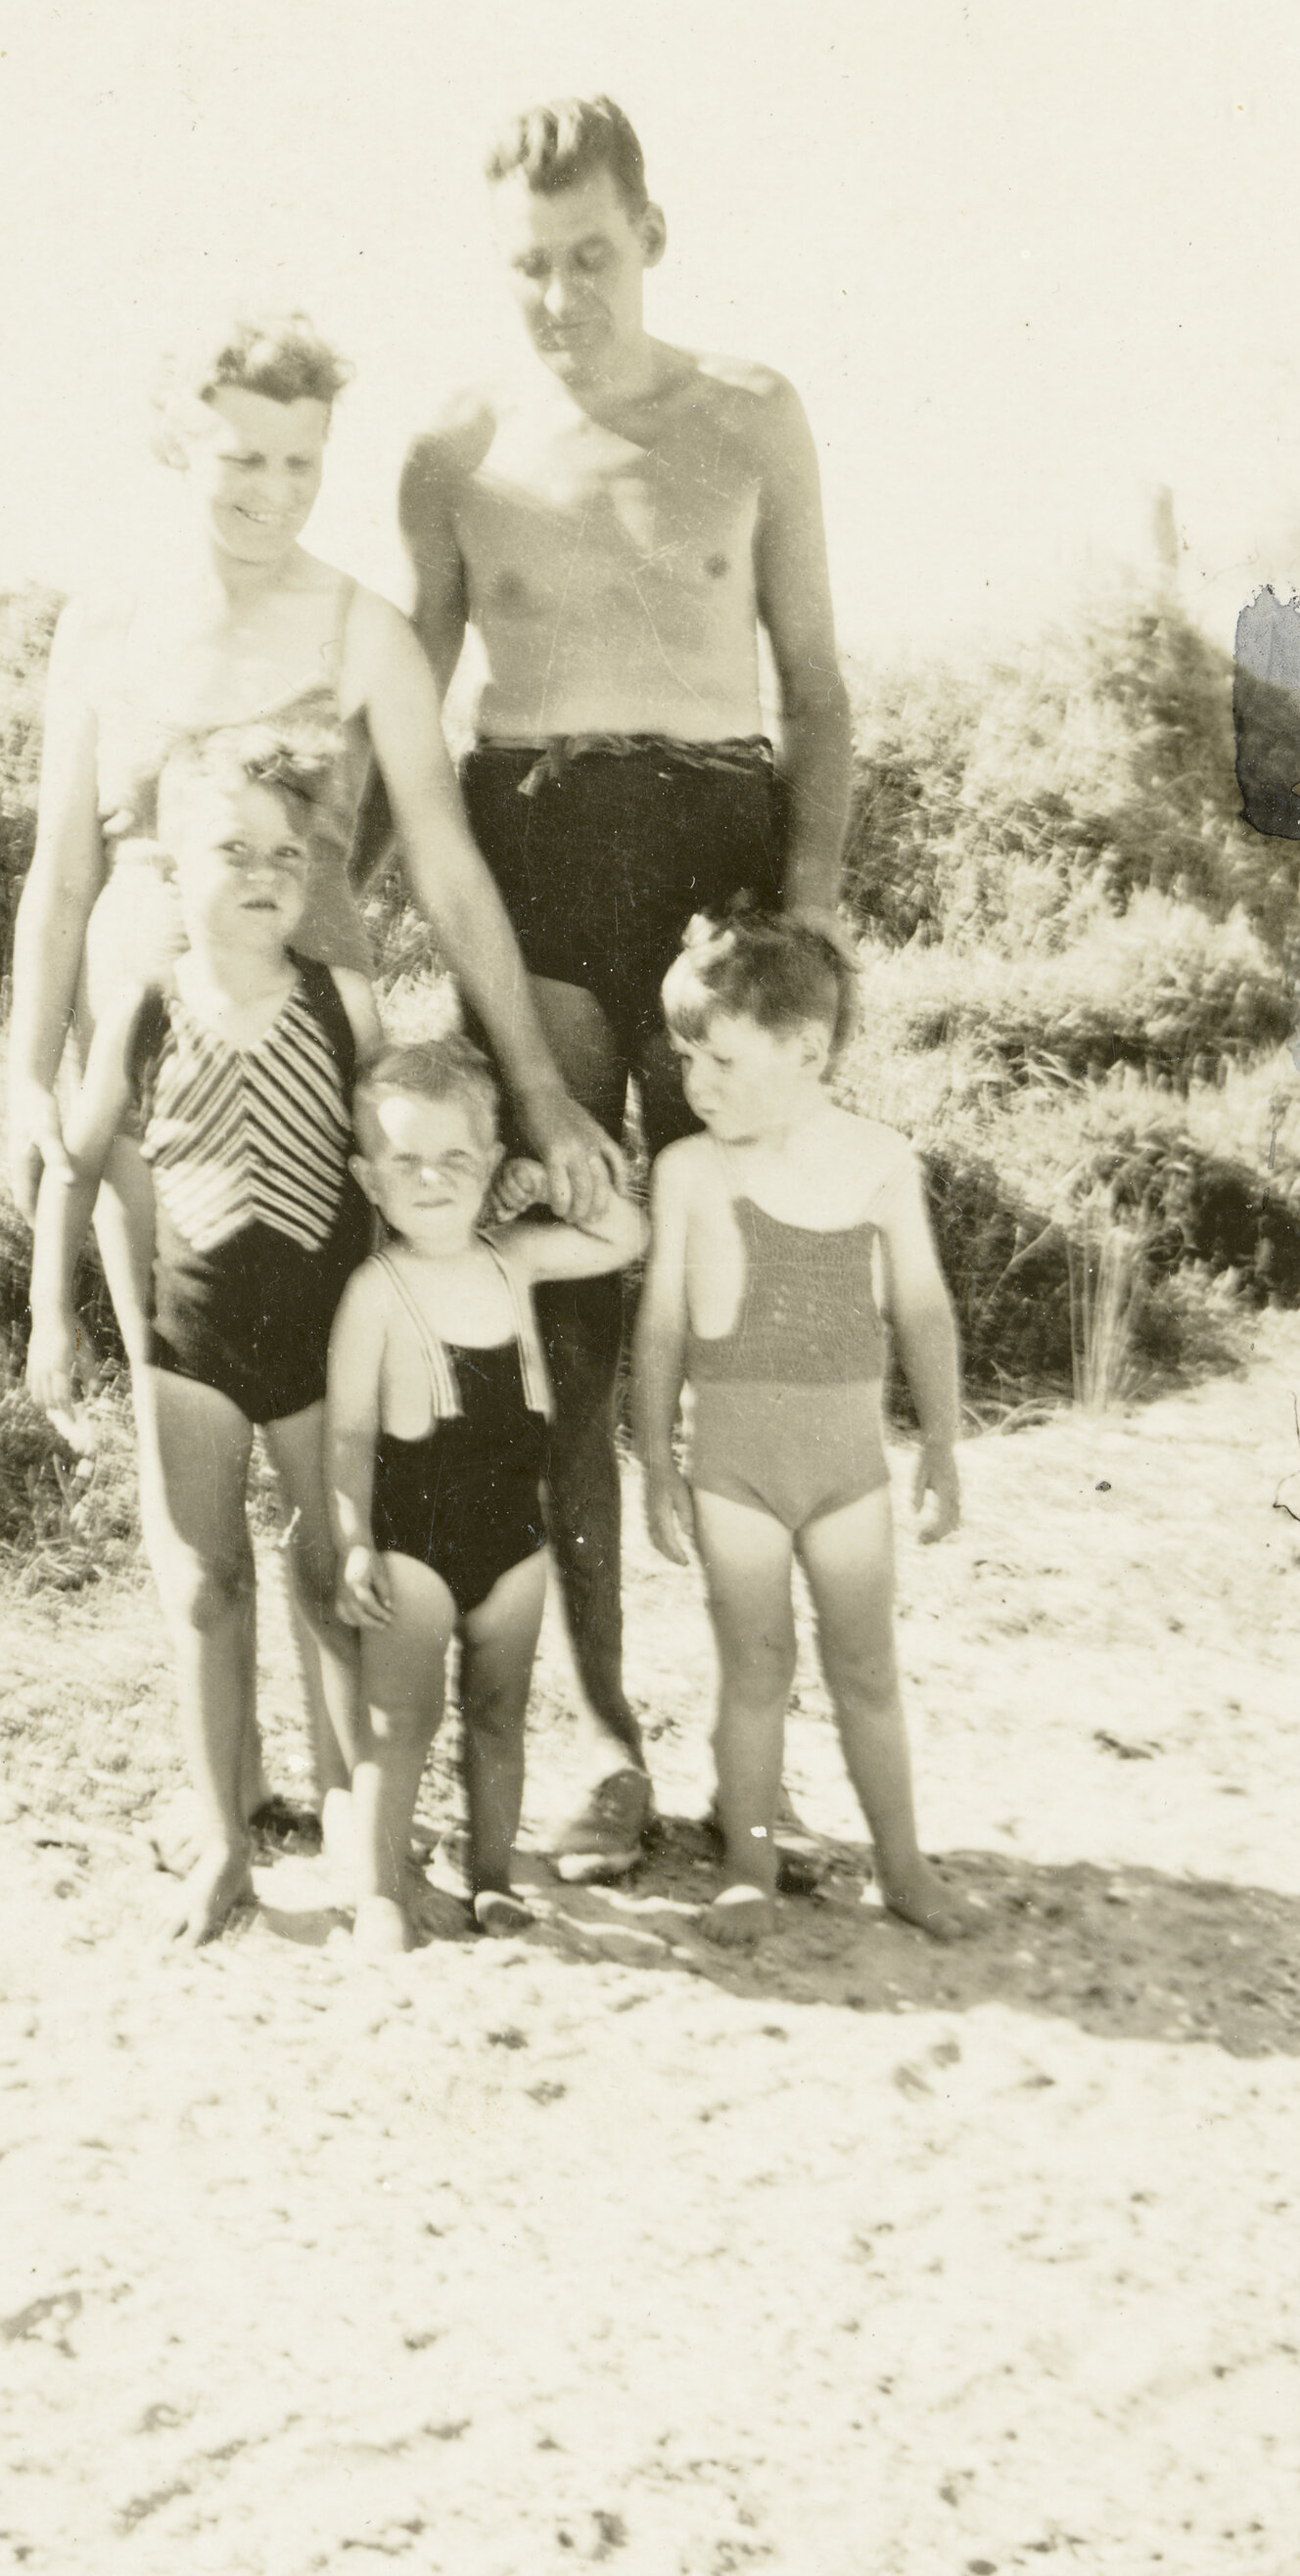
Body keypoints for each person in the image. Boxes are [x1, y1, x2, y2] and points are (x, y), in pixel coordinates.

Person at [9, 311, 626, 1838]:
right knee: (190, 1484)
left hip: (307, 1081)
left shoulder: (358, 627)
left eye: (300, 459)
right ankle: (230, 1805)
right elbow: (59, 867)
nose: (271, 487)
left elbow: (450, 862)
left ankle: (360, 1801)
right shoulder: (106, 620)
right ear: (180, 441)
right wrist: (28, 1078)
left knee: (332, 1470)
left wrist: (539, 1085)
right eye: (241, 455)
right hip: (149, 1097)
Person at [376, 95, 853, 1879]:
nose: (563, 295)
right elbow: (407, 735)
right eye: (529, 266)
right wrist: (332, 931)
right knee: (562, 1327)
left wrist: (806, 932)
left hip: (722, 862)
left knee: (756, 1299)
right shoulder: (455, 449)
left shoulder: (751, 416)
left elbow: (814, 681)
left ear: (653, 232)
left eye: (591, 255)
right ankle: (597, 1739)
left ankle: (762, 1749)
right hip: (541, 863)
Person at [28, 728, 380, 1944]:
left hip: (325, 1342)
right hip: (189, 1348)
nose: (264, 871)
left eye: (287, 851)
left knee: (337, 1577)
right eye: (231, 847)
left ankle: (356, 1829)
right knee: (206, 1587)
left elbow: (394, 1161)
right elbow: (72, 1172)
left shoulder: (346, 1003)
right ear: (169, 863)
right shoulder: (143, 1004)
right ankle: (225, 1843)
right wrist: (48, 1319)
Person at [631, 913, 973, 1941]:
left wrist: (944, 1445)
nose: (696, 1080)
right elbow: (656, 1327)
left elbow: (920, 1305)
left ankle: (902, 1864)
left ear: (806, 1051)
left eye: (721, 1057)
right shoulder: (689, 1170)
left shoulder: (877, 1159)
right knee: (753, 1669)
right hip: (732, 1470)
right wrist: (654, 1459)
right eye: (686, 1055)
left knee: (865, 1668)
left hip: (849, 1472)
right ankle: (746, 1862)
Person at [327, 1037, 645, 1957]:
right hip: (413, 1541)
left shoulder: (514, 1259)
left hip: (515, 1536)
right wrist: (353, 1540)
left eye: (456, 1160)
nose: (431, 1180)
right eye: (406, 1162)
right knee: (404, 1720)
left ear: (490, 1170)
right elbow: (348, 1435)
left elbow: (627, 1235)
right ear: (369, 1177)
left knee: (500, 1714)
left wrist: (542, 1188)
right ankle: (382, 1891)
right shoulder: (374, 1290)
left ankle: (494, 1878)